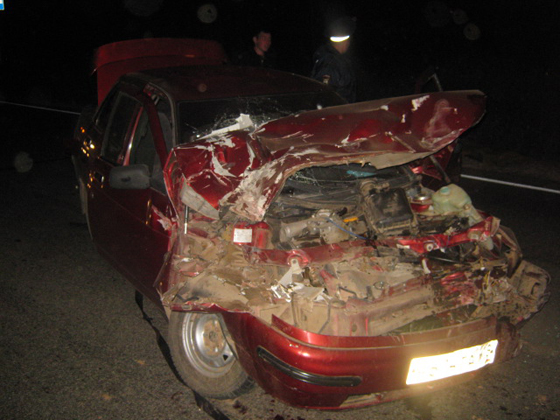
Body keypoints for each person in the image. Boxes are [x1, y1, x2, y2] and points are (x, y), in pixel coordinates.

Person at [311, 17, 356, 103]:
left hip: (344, 109)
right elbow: (323, 95)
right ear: (345, 42)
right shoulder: (330, 63)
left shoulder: (337, 59)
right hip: (337, 110)